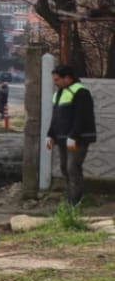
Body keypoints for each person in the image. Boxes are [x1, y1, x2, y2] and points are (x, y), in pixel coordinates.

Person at [47, 63, 96, 206]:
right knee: (64, 168)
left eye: (57, 79)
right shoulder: (59, 93)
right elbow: (56, 117)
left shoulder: (81, 92)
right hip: (63, 139)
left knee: (72, 168)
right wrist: (50, 134)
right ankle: (70, 197)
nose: (55, 82)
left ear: (67, 78)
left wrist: (73, 136)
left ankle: (75, 202)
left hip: (78, 139)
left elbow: (82, 116)